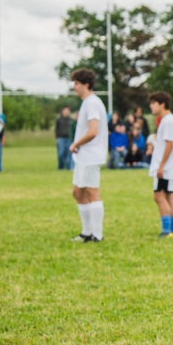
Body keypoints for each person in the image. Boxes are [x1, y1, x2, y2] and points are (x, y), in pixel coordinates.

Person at [68, 68, 108, 243]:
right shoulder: (87, 103)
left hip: (91, 155)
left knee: (91, 192)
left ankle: (97, 234)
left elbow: (93, 131)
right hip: (84, 156)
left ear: (86, 84)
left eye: (77, 83)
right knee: (78, 192)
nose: (74, 87)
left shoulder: (92, 102)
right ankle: (86, 232)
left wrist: (76, 143)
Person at [148, 92, 173, 237]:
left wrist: (161, 165)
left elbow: (169, 144)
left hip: (166, 167)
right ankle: (171, 230)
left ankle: (166, 230)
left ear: (162, 104)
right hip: (171, 166)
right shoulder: (170, 120)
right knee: (168, 196)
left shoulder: (168, 121)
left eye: (154, 103)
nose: (151, 106)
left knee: (159, 196)